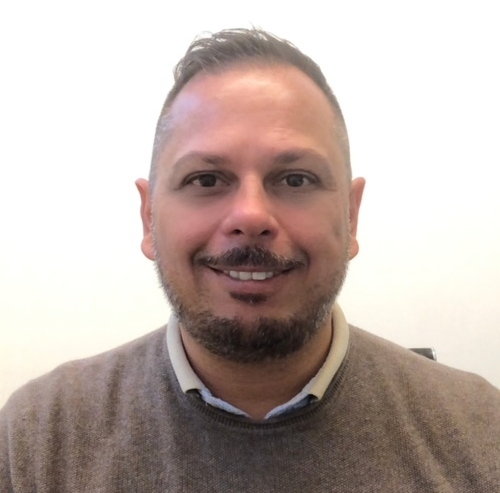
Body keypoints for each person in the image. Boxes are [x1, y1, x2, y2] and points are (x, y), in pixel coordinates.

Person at [1, 28, 499, 492]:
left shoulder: (482, 433)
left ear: (351, 216)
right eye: (206, 180)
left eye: (296, 179)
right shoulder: (37, 441)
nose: (251, 216)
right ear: (149, 217)